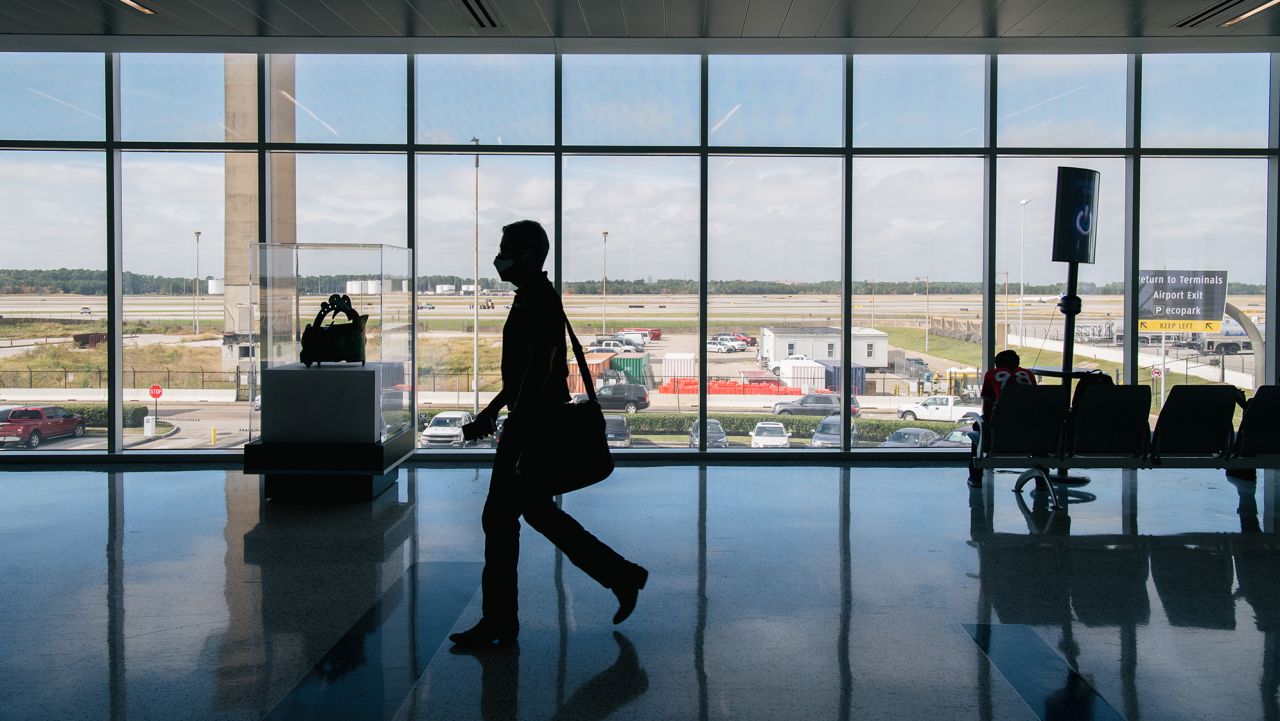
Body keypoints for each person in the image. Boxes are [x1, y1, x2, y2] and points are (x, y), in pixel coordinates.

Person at [449, 219, 648, 649]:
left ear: (525, 256)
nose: (498, 257)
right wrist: (491, 411)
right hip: (529, 422)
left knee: (499, 518)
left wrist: (512, 424)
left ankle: (501, 621)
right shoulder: (532, 297)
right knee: (532, 513)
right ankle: (621, 576)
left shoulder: (537, 300)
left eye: (505, 249)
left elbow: (538, 373)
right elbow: (525, 373)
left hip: (532, 427)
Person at [967, 349, 1038, 487]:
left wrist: (985, 421)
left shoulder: (993, 374)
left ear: (997, 365)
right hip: (1030, 433)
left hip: (1001, 432)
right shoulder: (1029, 374)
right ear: (1018, 363)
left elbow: (987, 405)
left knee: (977, 427)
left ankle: (975, 478)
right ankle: (1041, 483)